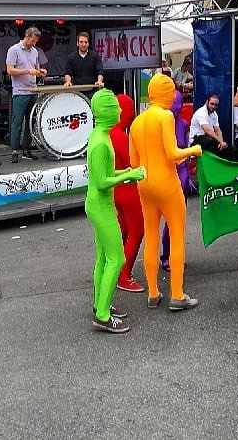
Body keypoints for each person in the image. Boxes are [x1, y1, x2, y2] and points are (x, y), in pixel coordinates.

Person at [129, 74, 202, 311]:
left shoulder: (137, 122)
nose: (173, 95)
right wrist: (194, 150)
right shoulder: (165, 116)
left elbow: (134, 162)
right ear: (166, 93)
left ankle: (153, 292)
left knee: (151, 237)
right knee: (177, 236)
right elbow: (173, 154)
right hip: (167, 183)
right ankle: (177, 294)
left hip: (145, 184)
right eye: (171, 91)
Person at [86, 89, 144, 333]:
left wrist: (126, 173)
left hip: (100, 204)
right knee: (117, 258)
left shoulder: (100, 135)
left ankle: (101, 304)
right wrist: (130, 174)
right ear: (108, 111)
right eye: (116, 107)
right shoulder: (101, 142)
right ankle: (102, 314)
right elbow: (101, 182)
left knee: (103, 258)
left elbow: (105, 173)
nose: (120, 110)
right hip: (101, 206)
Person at [109, 93, 145, 293]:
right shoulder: (121, 137)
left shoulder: (104, 134)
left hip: (113, 190)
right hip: (128, 191)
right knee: (136, 231)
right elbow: (132, 165)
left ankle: (115, 271)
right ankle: (124, 276)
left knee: (122, 232)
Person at [161, 89, 191, 272]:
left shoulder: (183, 124)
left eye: (179, 105)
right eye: (174, 105)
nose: (177, 108)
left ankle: (176, 256)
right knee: (168, 220)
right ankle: (166, 256)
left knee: (178, 221)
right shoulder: (160, 125)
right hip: (166, 175)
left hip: (182, 175)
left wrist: (188, 175)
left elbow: (185, 148)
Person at [6, 26, 46, 162]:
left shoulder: (35, 51)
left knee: (31, 121)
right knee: (17, 121)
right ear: (27, 37)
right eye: (33, 41)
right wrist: (28, 71)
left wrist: (41, 72)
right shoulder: (14, 50)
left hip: (33, 90)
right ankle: (14, 150)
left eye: (36, 42)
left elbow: (36, 69)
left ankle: (26, 148)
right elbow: (10, 70)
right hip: (20, 91)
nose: (34, 44)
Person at [188, 93, 232, 159]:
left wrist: (222, 142)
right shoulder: (201, 113)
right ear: (207, 102)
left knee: (228, 147)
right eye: (212, 104)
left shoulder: (214, 114)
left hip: (206, 139)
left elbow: (218, 130)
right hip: (196, 141)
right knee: (211, 142)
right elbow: (208, 130)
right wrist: (220, 142)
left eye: (216, 105)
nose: (213, 106)